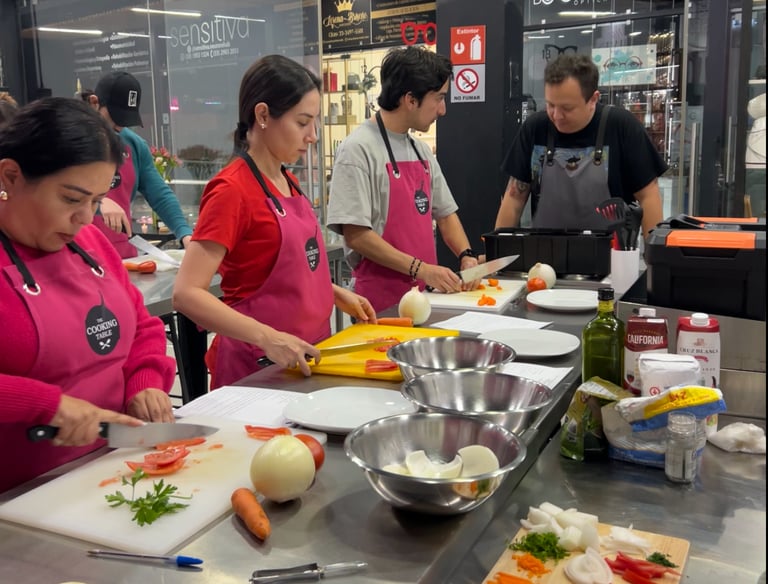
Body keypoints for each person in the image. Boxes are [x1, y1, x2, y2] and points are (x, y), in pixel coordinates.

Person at [0, 97, 176, 494]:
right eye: (71, 199)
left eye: (96, 202)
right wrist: (47, 405)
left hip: (111, 473)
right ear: (11, 177)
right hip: (20, 498)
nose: (85, 218)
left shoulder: (91, 243)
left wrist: (145, 381)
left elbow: (142, 327)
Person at [172, 55, 376, 389]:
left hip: (309, 358)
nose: (312, 136)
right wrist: (268, 338)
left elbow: (287, 272)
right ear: (263, 115)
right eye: (302, 122)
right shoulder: (231, 190)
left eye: (315, 123)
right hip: (257, 368)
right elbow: (186, 293)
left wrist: (333, 292)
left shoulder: (287, 180)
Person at [326, 46, 480, 314]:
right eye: (439, 98)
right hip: (379, 304)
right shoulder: (357, 150)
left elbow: (446, 215)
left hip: (426, 298)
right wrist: (422, 269)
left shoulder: (421, 151)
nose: (442, 110)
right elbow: (357, 236)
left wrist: (466, 256)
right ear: (410, 99)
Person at [495, 54, 666, 238]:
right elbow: (514, 199)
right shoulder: (535, 128)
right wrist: (497, 249)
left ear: (593, 99)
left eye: (567, 108)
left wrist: (654, 253)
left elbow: (648, 197)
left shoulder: (622, 127)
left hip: (611, 253)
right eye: (550, 105)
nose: (556, 116)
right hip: (546, 253)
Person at [86, 71, 193, 257]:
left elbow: (159, 194)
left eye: (125, 120)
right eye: (115, 118)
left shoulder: (134, 145)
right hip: (81, 253)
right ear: (94, 103)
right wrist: (98, 202)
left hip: (122, 254)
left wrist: (184, 232)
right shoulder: (70, 142)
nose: (119, 127)